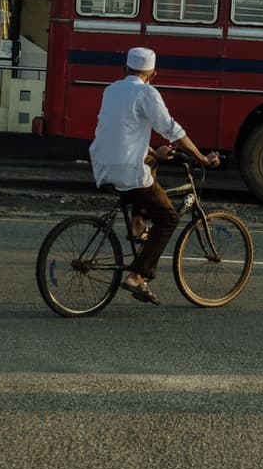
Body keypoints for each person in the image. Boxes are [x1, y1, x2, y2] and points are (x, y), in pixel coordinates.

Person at [88, 47, 219, 305]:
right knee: (169, 218)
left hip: (102, 165)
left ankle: (138, 221)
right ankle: (138, 276)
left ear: (124, 70)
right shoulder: (147, 92)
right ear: (153, 74)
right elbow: (172, 130)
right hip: (128, 170)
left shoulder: (111, 90)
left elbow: (121, 132)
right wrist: (203, 158)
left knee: (150, 162)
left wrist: (154, 153)